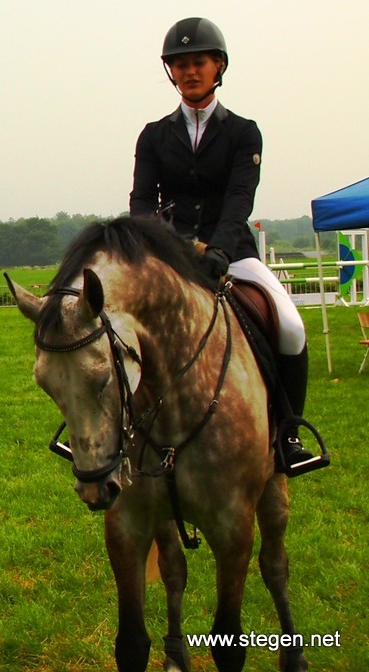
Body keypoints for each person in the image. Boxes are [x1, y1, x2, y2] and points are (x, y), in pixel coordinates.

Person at [130, 17, 327, 477]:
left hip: (234, 252)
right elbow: (142, 202)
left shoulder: (243, 132)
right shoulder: (154, 136)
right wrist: (158, 247)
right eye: (180, 64)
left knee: (293, 328)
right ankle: (119, 428)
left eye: (198, 62)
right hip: (172, 257)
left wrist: (218, 249)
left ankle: (289, 434)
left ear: (218, 66)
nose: (189, 71)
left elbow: (240, 199)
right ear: (170, 72)